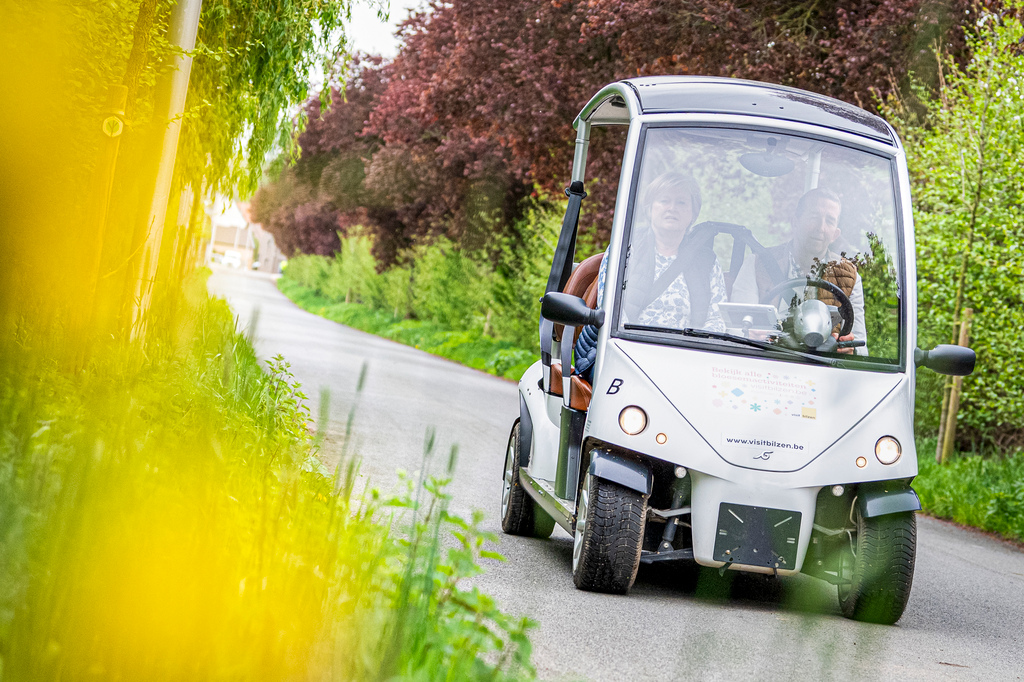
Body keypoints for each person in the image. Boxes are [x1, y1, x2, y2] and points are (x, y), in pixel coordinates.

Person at [574, 171, 727, 382]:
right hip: (627, 356)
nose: (672, 208)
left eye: (681, 202)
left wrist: (696, 355)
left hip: (687, 362)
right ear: (650, 208)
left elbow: (716, 318)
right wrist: (641, 357)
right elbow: (609, 307)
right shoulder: (624, 247)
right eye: (664, 200)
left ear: (694, 213)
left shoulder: (707, 260)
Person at [731, 187, 868, 354]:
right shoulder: (757, 263)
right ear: (795, 222)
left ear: (835, 234)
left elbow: (861, 348)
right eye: (814, 217)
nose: (821, 227)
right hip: (766, 361)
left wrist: (849, 349)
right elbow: (735, 331)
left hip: (822, 369)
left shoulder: (850, 276)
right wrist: (751, 336)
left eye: (829, 221)